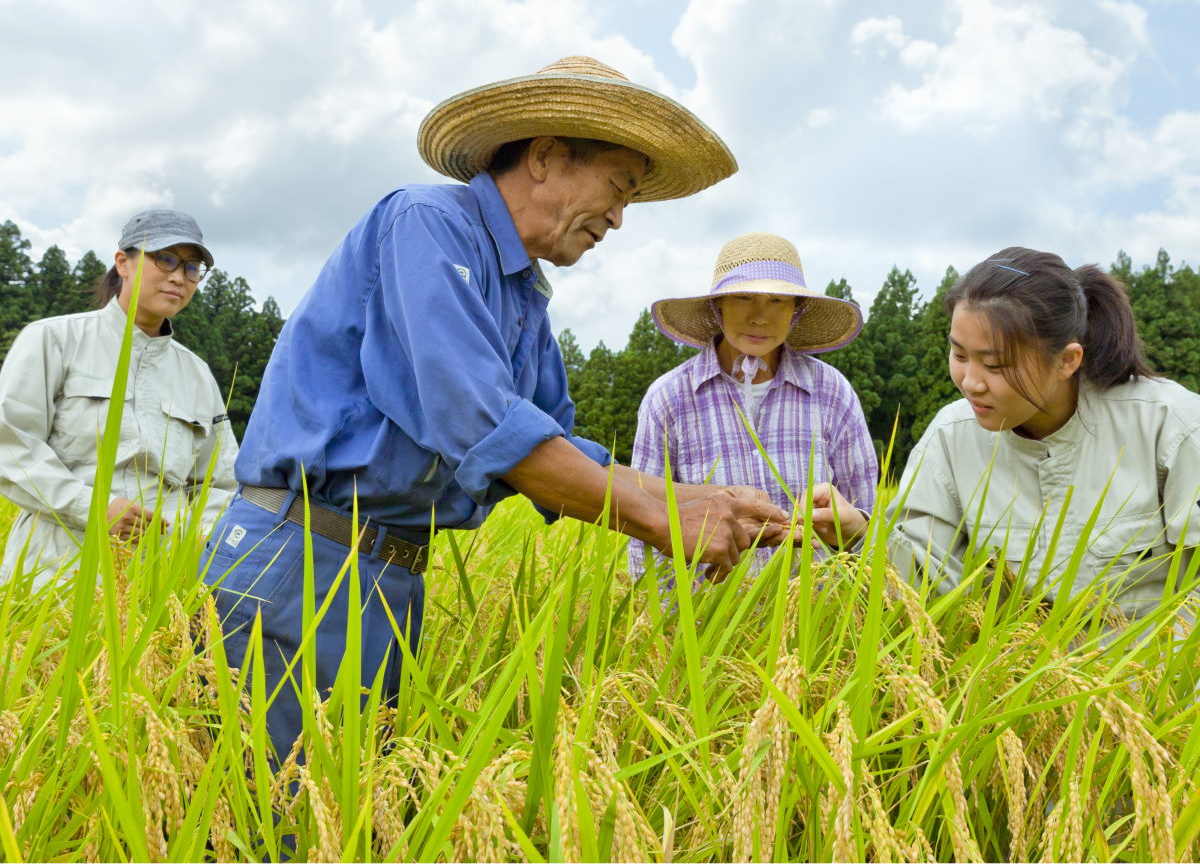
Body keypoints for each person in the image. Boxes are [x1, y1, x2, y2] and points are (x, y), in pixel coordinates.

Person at [202, 55, 792, 760]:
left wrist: (704, 497)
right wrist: (662, 518)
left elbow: (555, 449)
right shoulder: (425, 226)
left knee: (351, 806)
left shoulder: (523, 297)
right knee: (283, 821)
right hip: (302, 560)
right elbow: (482, 422)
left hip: (388, 572)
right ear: (544, 156)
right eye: (618, 187)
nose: (619, 217)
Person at [811, 247, 1200, 618]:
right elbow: (923, 585)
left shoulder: (1168, 424)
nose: (971, 383)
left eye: (995, 365)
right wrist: (858, 535)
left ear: (1067, 360)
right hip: (1014, 678)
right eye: (960, 355)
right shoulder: (951, 437)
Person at [0, 208, 238, 587]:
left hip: (160, 581)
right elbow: (11, 447)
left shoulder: (197, 375)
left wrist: (192, 536)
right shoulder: (54, 340)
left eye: (192, 268)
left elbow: (221, 483)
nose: (179, 276)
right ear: (123, 263)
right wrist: (94, 509)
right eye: (165, 258)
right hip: (55, 574)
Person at [628, 232, 878, 588]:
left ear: (796, 311)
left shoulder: (830, 391)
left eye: (777, 300)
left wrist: (853, 529)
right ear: (718, 306)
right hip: (705, 621)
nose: (760, 317)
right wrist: (665, 626)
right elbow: (645, 525)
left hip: (814, 622)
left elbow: (868, 517)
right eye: (744, 297)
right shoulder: (670, 398)